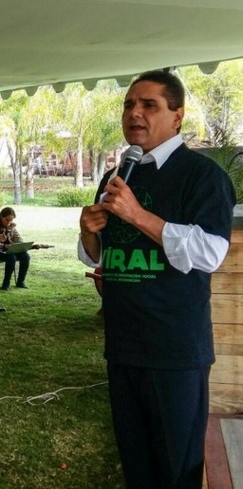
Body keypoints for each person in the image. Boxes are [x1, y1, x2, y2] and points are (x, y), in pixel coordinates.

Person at [79, 70, 236, 489]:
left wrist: (138, 215)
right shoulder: (118, 176)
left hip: (175, 352)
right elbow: (102, 255)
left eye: (149, 105)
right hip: (124, 345)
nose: (135, 113)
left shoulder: (202, 176)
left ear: (178, 116)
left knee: (176, 470)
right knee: (137, 465)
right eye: (129, 104)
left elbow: (210, 253)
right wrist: (87, 232)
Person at [0, 207, 30, 290]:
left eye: (11, 220)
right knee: (11, 257)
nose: (9, 222)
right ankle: (6, 283)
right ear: (1, 217)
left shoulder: (11, 226)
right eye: (7, 220)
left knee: (26, 256)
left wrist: (20, 245)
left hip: (8, 250)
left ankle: (20, 282)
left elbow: (18, 238)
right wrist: (3, 246)